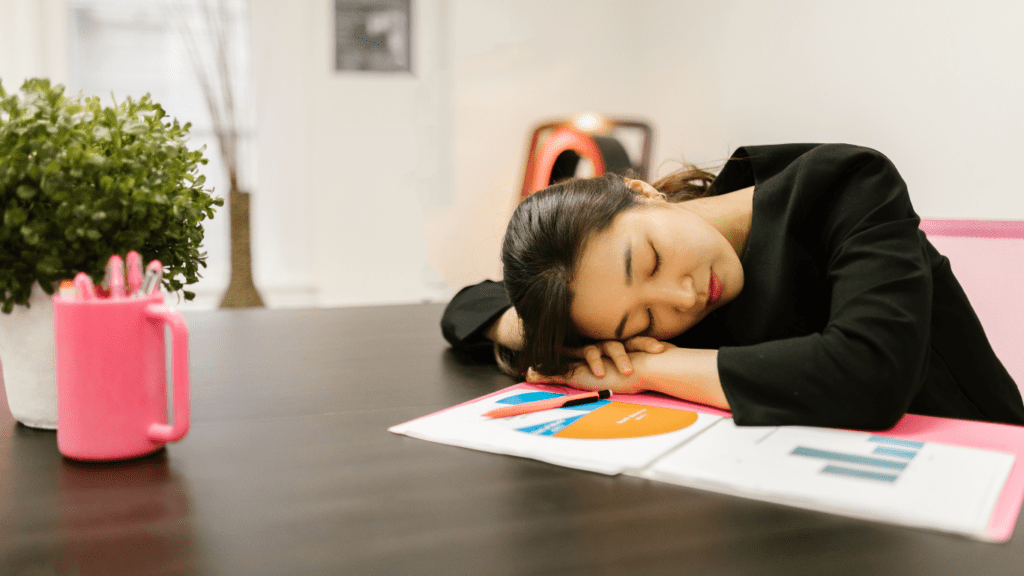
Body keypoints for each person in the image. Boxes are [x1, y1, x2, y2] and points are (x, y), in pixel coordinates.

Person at [442, 143, 1024, 430]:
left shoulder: (846, 184)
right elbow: (467, 305)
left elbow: (870, 374)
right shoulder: (628, 288)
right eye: (639, 324)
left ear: (642, 192)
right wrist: (552, 335)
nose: (682, 299)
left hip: (982, 466)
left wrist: (647, 365)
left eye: (649, 261)